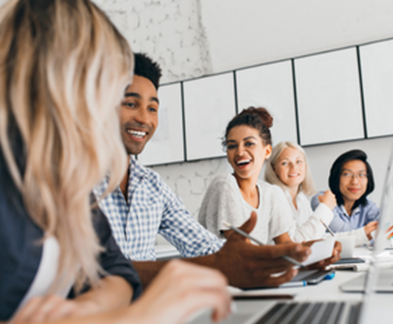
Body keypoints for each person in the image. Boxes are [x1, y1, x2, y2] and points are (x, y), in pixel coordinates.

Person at [0, 0, 230, 323]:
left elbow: (118, 272)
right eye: (107, 85)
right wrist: (138, 316)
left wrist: (87, 311)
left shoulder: (65, 177)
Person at [95, 54, 312, 288]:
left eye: (152, 108)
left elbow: (203, 244)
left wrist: (299, 261)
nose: (144, 118)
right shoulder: (71, 180)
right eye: (130, 104)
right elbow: (78, 271)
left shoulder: (152, 186)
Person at [198, 108, 341, 266]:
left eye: (249, 144)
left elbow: (286, 244)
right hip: (223, 280)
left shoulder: (270, 192)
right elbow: (242, 251)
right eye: (232, 146)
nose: (239, 151)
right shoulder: (225, 185)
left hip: (253, 275)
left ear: (267, 151)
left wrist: (320, 250)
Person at [264, 141, 337, 242]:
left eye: (298, 162)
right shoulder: (274, 197)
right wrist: (325, 207)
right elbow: (293, 243)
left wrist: (362, 234)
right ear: (274, 169)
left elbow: (317, 236)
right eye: (285, 163)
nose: (294, 167)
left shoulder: (301, 199)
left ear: (305, 166)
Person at [311, 149, 379, 246]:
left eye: (361, 175)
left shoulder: (369, 206)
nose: (355, 181)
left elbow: (383, 233)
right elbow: (345, 235)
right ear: (336, 178)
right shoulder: (322, 200)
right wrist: (366, 234)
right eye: (347, 174)